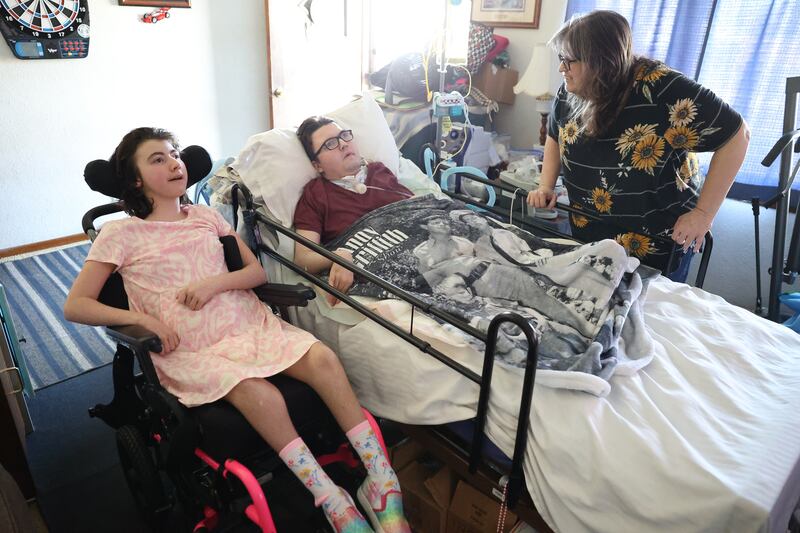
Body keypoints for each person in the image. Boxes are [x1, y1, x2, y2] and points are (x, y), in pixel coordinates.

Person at [63, 127, 411, 533]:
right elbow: (77, 305)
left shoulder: (207, 218)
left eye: (174, 153)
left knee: (323, 359)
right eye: (157, 158)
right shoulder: (119, 234)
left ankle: (381, 482)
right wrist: (142, 320)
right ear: (135, 179)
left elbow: (254, 272)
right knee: (256, 391)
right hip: (190, 346)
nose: (174, 161)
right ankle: (330, 497)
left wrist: (214, 283)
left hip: (248, 323)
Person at [526, 10, 750, 281]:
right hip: (590, 235)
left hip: (656, 245)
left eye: (568, 60)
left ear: (600, 63)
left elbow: (737, 136)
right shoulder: (569, 90)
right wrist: (546, 186)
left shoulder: (664, 90)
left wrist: (703, 214)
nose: (562, 68)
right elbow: (555, 133)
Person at [293, 116, 414, 304]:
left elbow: (420, 208)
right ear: (317, 165)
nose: (342, 144)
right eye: (330, 144)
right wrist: (339, 256)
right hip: (393, 268)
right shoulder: (316, 195)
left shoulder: (379, 171)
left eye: (344, 136)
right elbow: (303, 258)